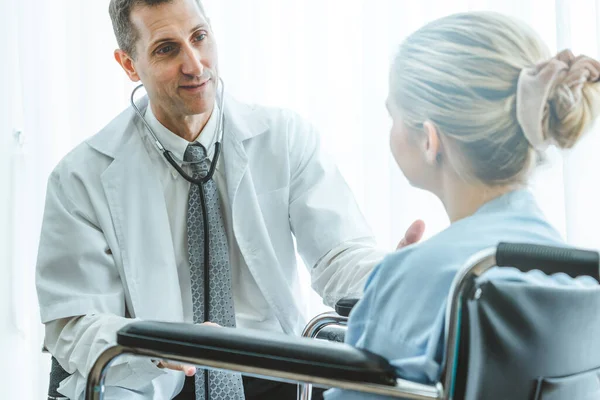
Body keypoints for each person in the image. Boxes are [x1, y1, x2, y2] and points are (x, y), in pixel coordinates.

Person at [35, 0, 424, 399]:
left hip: (274, 368)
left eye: (199, 37)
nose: (195, 65)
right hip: (157, 374)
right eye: (166, 49)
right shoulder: (80, 178)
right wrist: (162, 342)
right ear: (129, 65)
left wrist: (391, 279)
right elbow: (75, 322)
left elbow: (338, 256)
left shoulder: (284, 138)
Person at [324, 11, 600, 399]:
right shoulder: (578, 275)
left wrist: (400, 281)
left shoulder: (414, 278)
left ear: (429, 140)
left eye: (394, 116)